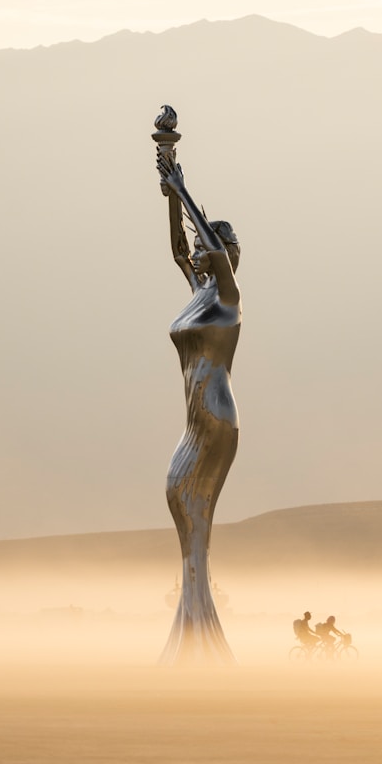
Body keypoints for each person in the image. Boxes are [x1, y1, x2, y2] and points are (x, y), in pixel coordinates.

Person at [156, 148, 241, 665]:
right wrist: (168, 195)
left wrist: (185, 188)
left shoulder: (229, 295)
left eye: (219, 248)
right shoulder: (198, 294)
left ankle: (199, 636)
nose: (206, 253)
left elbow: (208, 244)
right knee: (179, 501)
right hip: (192, 422)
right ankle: (193, 628)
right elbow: (177, 250)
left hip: (216, 417)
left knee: (195, 510)